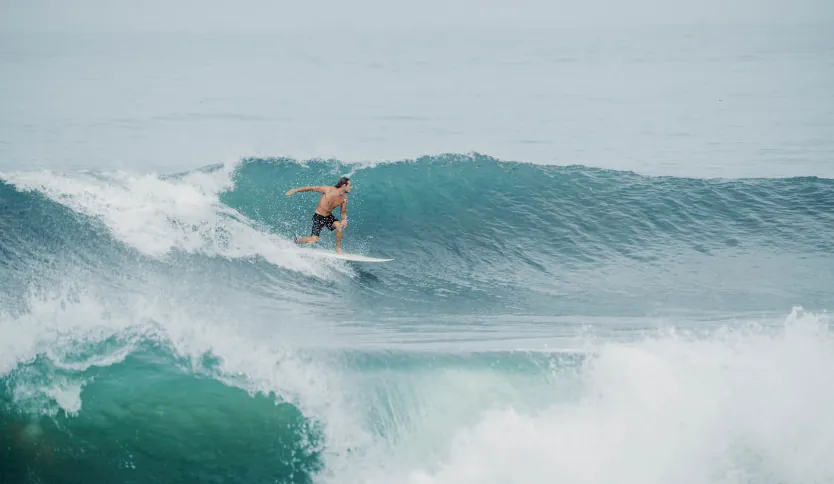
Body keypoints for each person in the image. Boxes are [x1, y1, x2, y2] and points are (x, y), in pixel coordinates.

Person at [286, 177, 351, 254]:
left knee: (339, 227)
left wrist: (344, 219)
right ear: (344, 185)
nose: (351, 187)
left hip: (329, 216)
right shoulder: (328, 189)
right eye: (349, 185)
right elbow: (311, 188)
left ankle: (338, 248)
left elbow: (343, 212)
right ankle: (295, 242)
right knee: (314, 239)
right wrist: (295, 190)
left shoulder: (344, 198)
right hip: (318, 216)